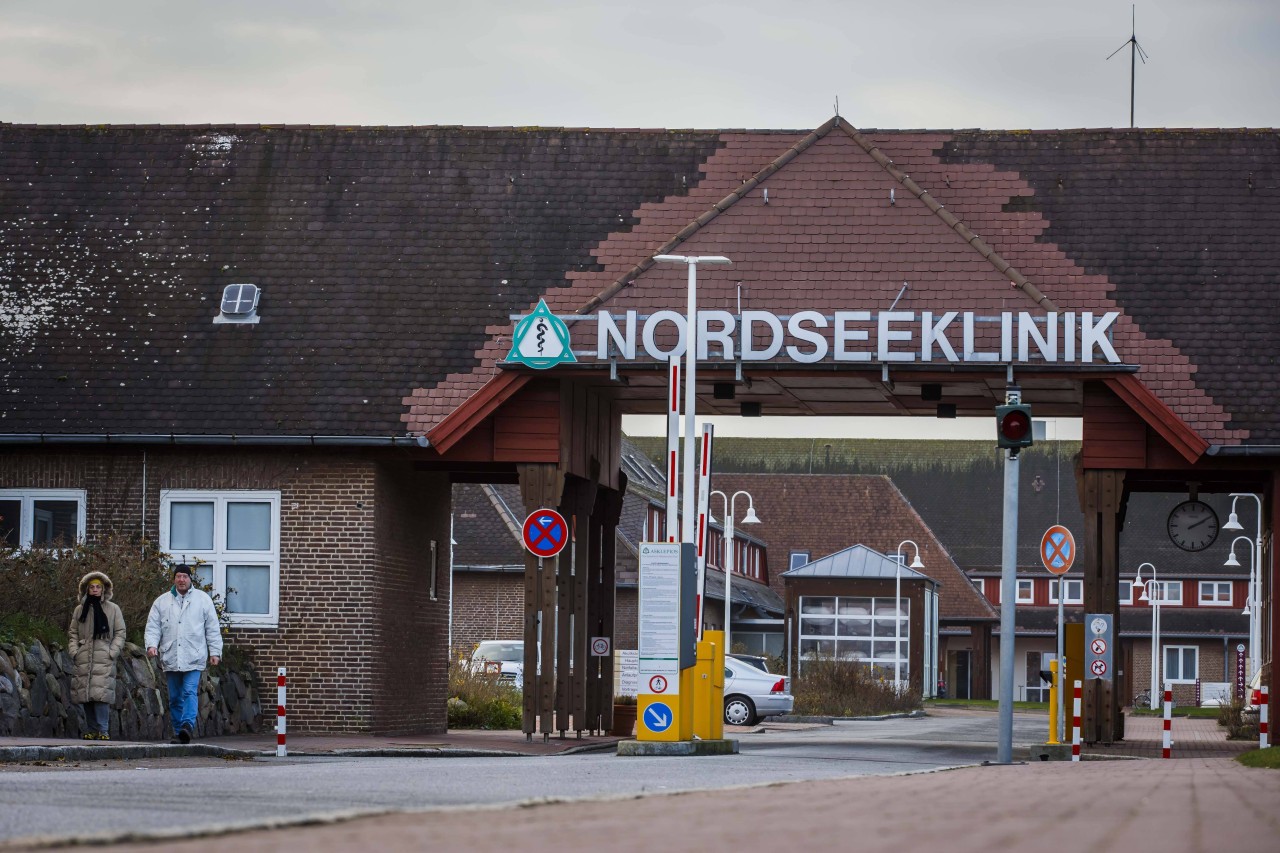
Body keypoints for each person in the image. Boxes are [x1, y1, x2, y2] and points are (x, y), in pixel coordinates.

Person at [144, 563, 222, 744]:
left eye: (185, 576)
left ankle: (187, 725)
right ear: (174, 579)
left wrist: (215, 652)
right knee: (174, 698)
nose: (181, 580)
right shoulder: (161, 601)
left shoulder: (203, 600)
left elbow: (212, 628)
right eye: (178, 576)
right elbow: (153, 627)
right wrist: (151, 645)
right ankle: (180, 733)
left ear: (190, 579)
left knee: (189, 692)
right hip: (171, 656)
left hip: (194, 655)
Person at [68, 571, 126, 740]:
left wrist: (112, 652)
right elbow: (73, 632)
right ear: (86, 589)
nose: (95, 590)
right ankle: (91, 729)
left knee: (101, 695)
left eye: (98, 587)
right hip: (84, 655)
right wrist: (74, 651)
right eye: (92, 587)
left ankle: (103, 730)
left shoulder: (113, 609)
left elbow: (120, 632)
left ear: (103, 589)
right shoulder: (80, 610)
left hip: (104, 656)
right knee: (86, 695)